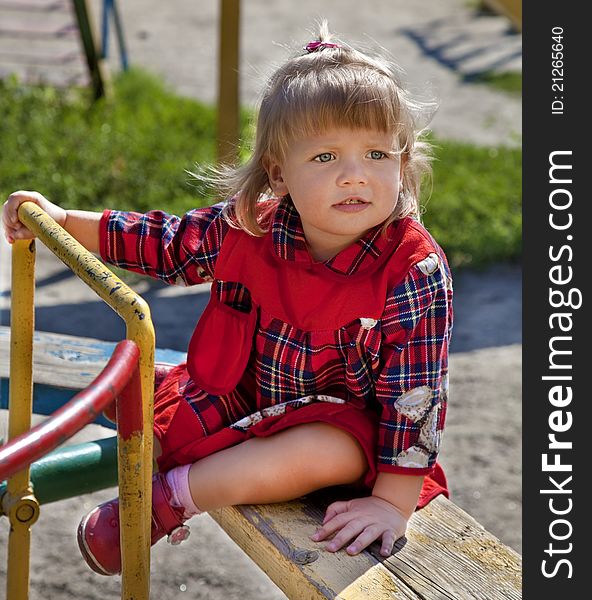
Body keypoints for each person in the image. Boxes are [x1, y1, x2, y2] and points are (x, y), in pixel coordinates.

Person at [3, 22, 453, 576]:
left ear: (403, 165)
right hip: (242, 396)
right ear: (278, 173)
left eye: (377, 154)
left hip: (345, 429)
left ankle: (166, 502)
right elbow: (168, 244)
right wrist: (68, 221)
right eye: (325, 158)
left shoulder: (413, 270)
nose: (353, 176)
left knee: (323, 449)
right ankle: (118, 479)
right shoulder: (252, 228)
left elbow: (417, 396)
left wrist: (390, 503)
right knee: (162, 416)